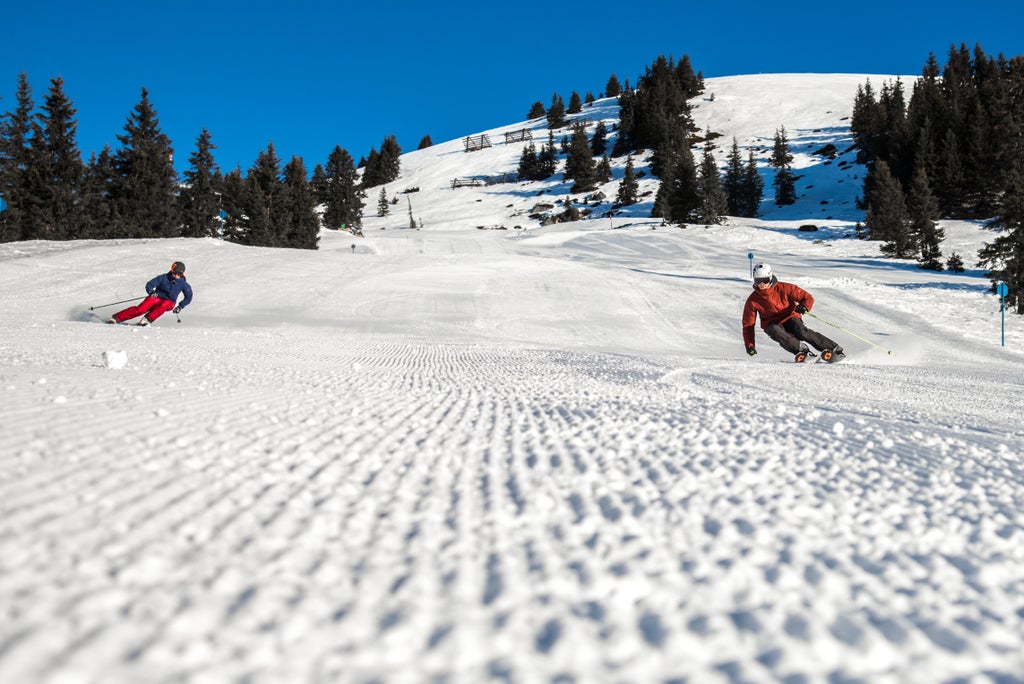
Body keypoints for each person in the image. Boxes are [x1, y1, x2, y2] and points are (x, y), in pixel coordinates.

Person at [742, 262, 844, 362]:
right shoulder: (752, 300)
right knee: (775, 330)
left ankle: (833, 348)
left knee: (801, 331)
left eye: (765, 280)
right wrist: (750, 345)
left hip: (790, 317)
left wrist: (804, 306)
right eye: (758, 281)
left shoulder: (784, 288)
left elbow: (807, 297)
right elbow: (748, 325)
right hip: (772, 324)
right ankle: (801, 350)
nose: (762, 284)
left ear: (770, 277)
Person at [108, 261, 193, 326]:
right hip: (156, 297)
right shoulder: (163, 277)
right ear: (171, 271)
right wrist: (151, 292)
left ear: (182, 273)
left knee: (164, 304)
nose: (176, 275)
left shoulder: (183, 284)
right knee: (141, 309)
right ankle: (116, 318)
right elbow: (150, 284)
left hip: (169, 302)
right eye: (174, 273)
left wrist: (180, 306)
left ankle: (146, 320)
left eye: (179, 274)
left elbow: (188, 297)